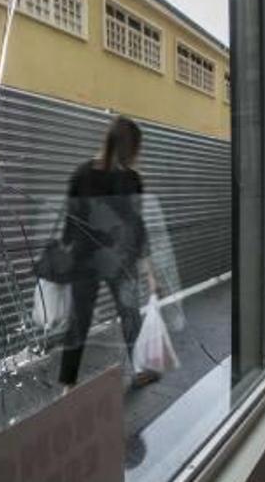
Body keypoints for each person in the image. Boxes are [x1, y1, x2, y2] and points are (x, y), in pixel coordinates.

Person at [58, 116, 159, 389]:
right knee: (129, 314)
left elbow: (69, 224)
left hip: (84, 259)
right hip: (120, 260)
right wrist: (148, 269)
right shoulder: (132, 179)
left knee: (78, 323)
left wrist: (65, 258)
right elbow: (137, 226)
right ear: (131, 148)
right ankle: (138, 370)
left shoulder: (80, 174)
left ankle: (68, 387)